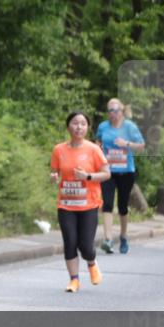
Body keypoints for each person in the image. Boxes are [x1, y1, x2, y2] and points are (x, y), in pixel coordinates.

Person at [50, 111, 111, 293]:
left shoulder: (93, 149)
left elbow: (107, 174)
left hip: (88, 205)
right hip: (66, 204)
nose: (79, 127)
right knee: (70, 241)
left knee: (85, 246)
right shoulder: (59, 150)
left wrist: (88, 176)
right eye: (75, 123)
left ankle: (91, 263)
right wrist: (53, 176)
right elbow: (55, 172)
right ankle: (74, 280)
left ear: (87, 127)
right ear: (68, 126)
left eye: (83, 124)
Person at [96, 98, 145, 254]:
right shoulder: (103, 126)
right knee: (107, 204)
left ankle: (123, 236)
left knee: (123, 206)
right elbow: (98, 141)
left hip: (126, 172)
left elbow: (141, 146)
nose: (112, 113)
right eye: (109, 110)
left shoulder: (130, 127)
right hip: (108, 171)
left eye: (115, 110)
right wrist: (98, 147)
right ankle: (108, 239)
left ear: (121, 111)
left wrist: (127, 144)